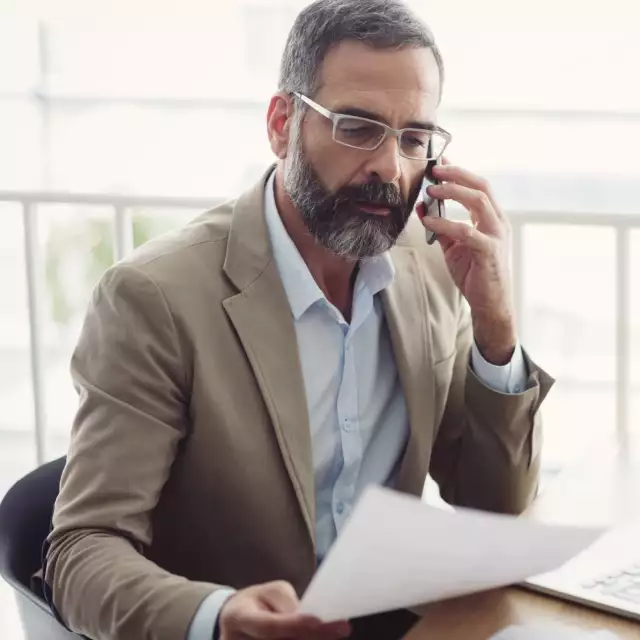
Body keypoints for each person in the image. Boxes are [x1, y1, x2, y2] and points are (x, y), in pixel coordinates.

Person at [43, 1, 554, 639]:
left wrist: (496, 326)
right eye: (358, 128)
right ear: (283, 123)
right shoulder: (153, 299)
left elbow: (493, 505)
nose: (390, 169)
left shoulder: (431, 269)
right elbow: (80, 551)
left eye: (414, 138)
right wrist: (219, 617)